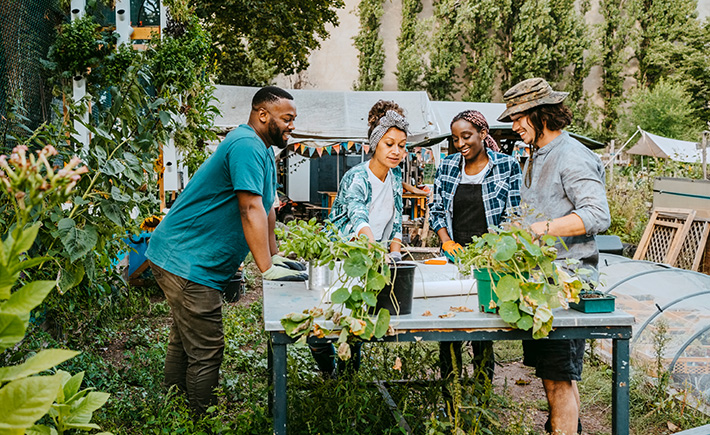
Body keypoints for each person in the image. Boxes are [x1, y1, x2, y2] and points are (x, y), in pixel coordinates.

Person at [146, 86, 308, 414]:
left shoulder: (262, 150)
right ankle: (201, 419)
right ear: (263, 115)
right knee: (206, 349)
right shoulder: (246, 145)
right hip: (187, 261)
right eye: (287, 119)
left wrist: (274, 255)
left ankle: (173, 409)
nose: (292, 125)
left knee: (184, 339)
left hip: (182, 258)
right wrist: (265, 269)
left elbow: (267, 208)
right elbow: (249, 208)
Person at [498, 77, 611, 435]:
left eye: (518, 117)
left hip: (567, 286)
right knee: (553, 377)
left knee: (559, 380)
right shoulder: (535, 156)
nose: (514, 126)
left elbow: (597, 214)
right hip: (541, 285)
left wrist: (539, 229)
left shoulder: (572, 154)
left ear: (540, 114)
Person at [428, 110, 522, 403]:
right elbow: (437, 209)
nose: (460, 144)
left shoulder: (506, 166)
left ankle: (483, 398)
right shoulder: (447, 167)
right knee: (450, 325)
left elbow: (515, 214)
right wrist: (446, 242)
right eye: (455, 138)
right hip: (455, 259)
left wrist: (496, 250)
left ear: (483, 133)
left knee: (484, 327)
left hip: (490, 259)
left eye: (466, 136)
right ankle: (451, 397)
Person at [310, 100, 409, 377]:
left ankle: (348, 382)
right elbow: (358, 216)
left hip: (369, 259)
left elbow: (398, 217)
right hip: (340, 257)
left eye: (401, 145)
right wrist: (371, 244)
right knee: (322, 322)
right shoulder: (357, 177)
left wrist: (396, 251)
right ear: (374, 144)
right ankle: (328, 371)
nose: (396, 151)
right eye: (389, 143)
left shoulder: (395, 176)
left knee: (355, 319)